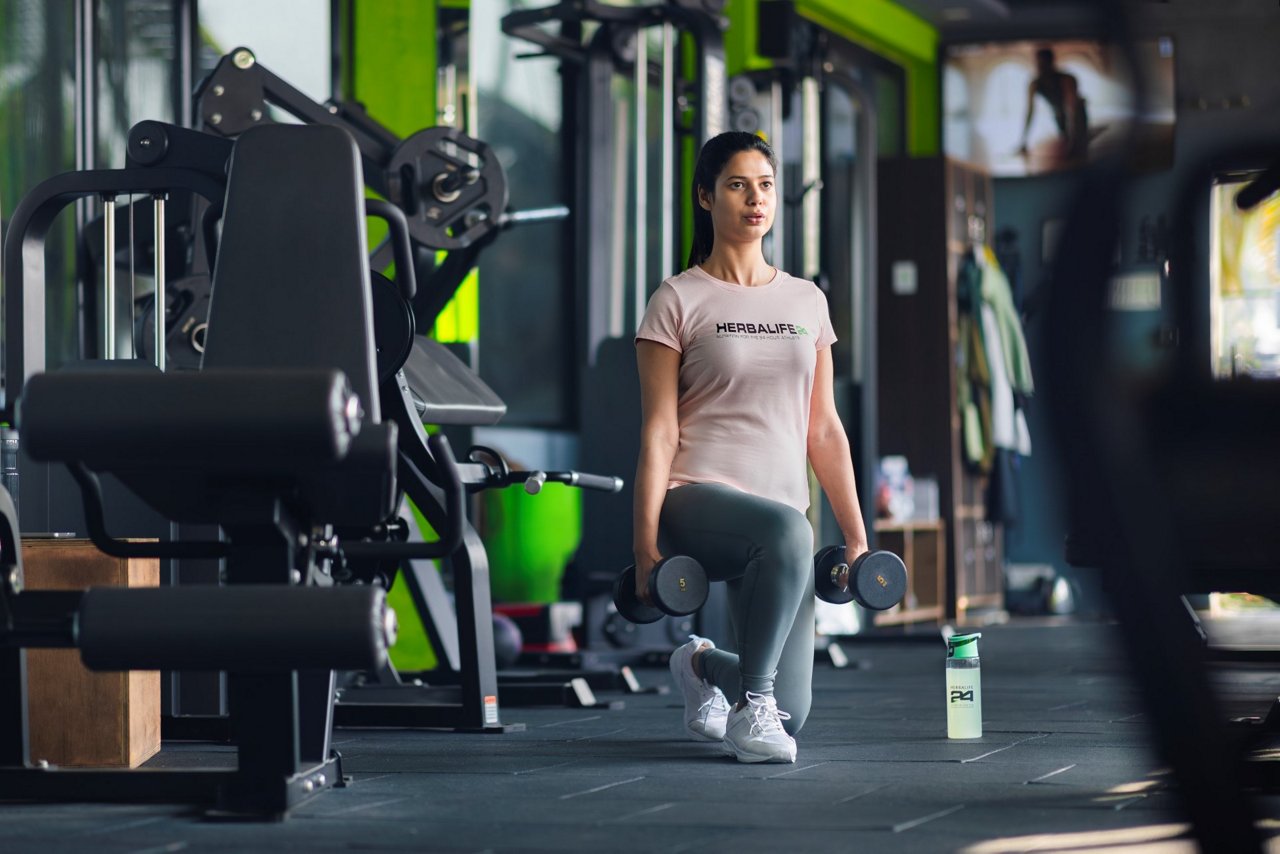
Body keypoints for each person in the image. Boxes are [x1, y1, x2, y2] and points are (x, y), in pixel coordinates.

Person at [632, 131, 868, 764]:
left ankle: (704, 668)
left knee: (797, 711)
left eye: (765, 185)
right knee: (788, 533)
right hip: (697, 502)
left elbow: (824, 429)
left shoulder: (806, 300)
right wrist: (646, 546)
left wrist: (855, 536)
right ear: (706, 197)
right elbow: (658, 430)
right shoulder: (676, 299)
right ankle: (751, 711)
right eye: (737, 185)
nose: (755, 198)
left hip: (780, 521)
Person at [1018, 46, 1089, 163]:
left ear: (1051, 62)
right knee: (1065, 138)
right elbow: (1030, 112)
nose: (1040, 67)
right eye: (1038, 64)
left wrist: (1074, 142)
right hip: (1059, 113)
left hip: (1077, 110)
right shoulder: (1035, 84)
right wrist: (1023, 141)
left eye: (1043, 63)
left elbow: (1071, 107)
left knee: (1079, 148)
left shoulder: (1066, 79)